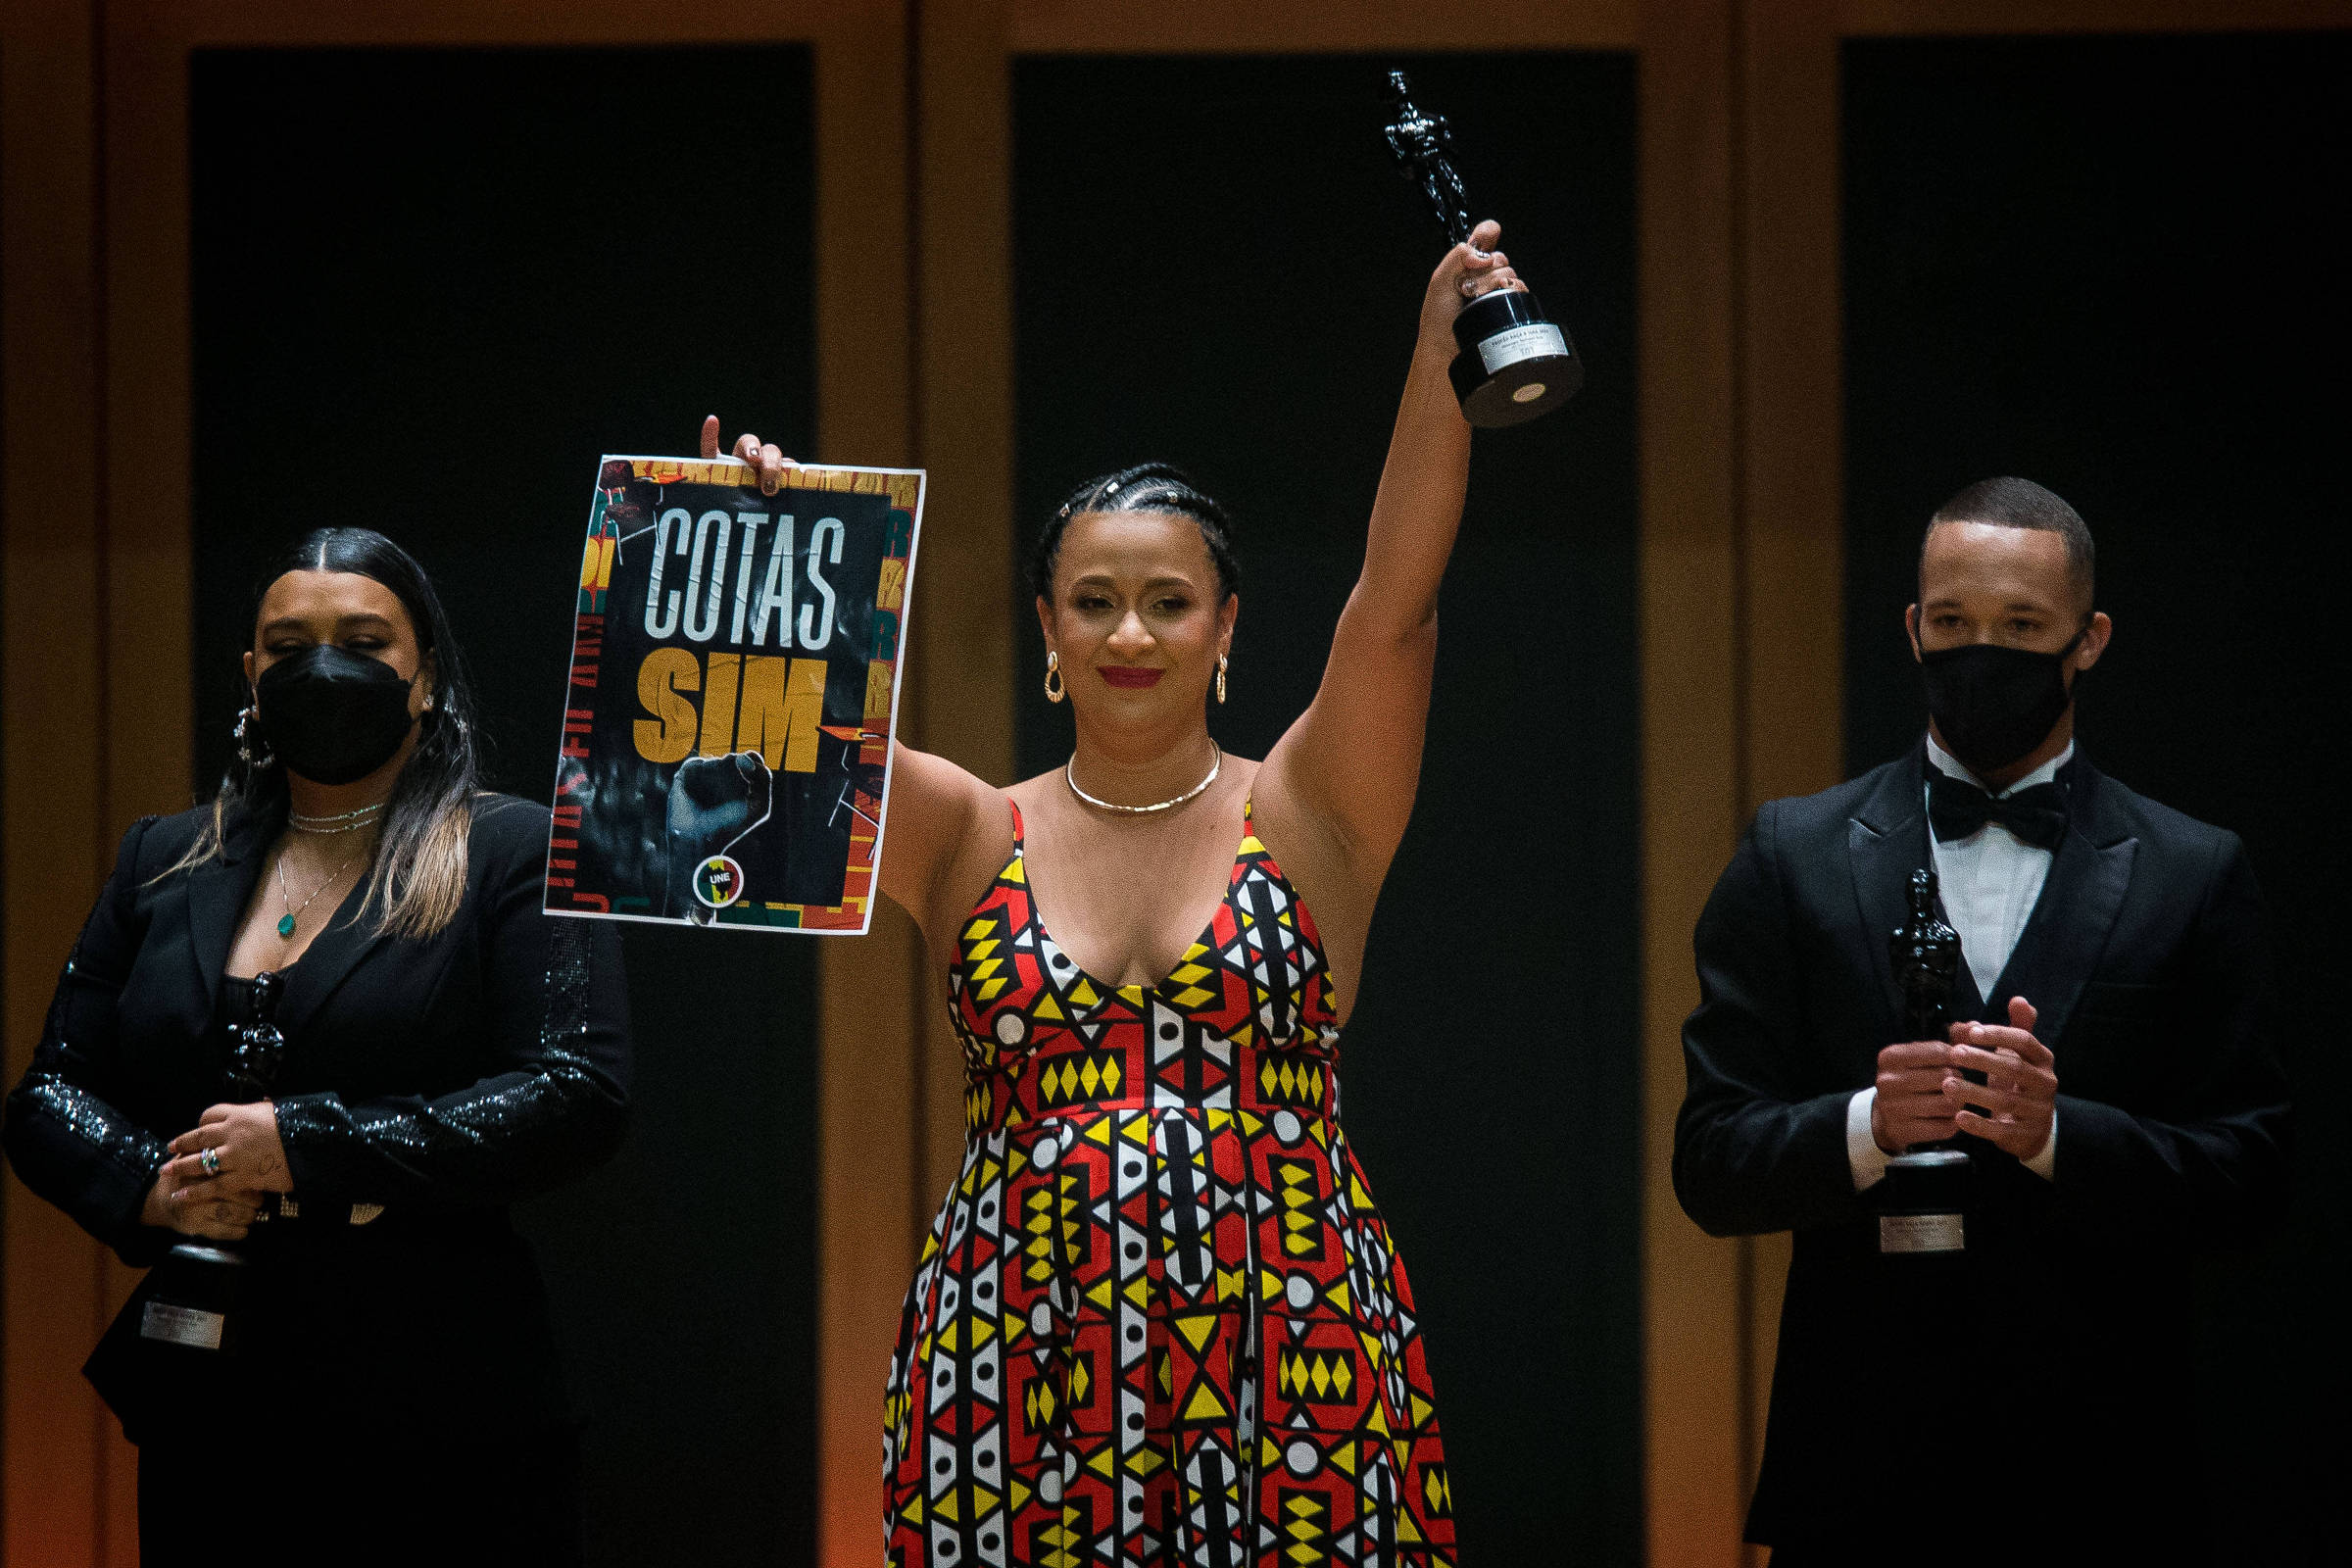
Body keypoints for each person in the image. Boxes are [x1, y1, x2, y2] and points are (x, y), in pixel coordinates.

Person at [713, 219, 1520, 1568]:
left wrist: (1440, 363)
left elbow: (1394, 606)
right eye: (1093, 602)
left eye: (1168, 601)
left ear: (1226, 629)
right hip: (1012, 1351)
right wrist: (765, 544)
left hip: (1297, 1350)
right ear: (1046, 629)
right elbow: (773, 739)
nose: (1130, 633)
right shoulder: (971, 829)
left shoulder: (1310, 809)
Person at [1673, 477, 2290, 1565]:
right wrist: (1867, 1123)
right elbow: (1711, 1160)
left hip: (2109, 1481)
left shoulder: (2196, 871)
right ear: (1912, 627)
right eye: (1952, 623)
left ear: (2088, 639)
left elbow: (2255, 1178)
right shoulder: (1793, 852)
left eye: (2021, 628)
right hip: (1855, 1482)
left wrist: (2059, 1134)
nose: (1980, 651)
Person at [4, 528, 632, 1565]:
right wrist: (156, 1187)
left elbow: (578, 1090)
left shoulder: (514, 848)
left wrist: (306, 1141)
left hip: (447, 1416)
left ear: (424, 677)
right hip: (217, 1414)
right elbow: (46, 1097)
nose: (323, 667)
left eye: (364, 639)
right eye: (288, 644)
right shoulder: (166, 858)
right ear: (250, 675)